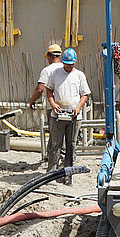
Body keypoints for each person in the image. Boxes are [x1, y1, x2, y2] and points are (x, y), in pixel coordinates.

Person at [45, 48, 92, 183]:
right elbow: (49, 90)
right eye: (66, 64)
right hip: (58, 115)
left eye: (70, 64)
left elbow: (85, 95)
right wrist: (53, 104)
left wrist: (78, 107)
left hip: (73, 116)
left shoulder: (79, 76)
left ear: (74, 63)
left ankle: (68, 174)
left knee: (71, 146)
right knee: (55, 144)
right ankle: (51, 174)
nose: (68, 66)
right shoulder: (55, 73)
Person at [28, 43, 63, 108]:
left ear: (49, 56)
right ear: (60, 56)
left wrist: (32, 100)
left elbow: (40, 89)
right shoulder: (67, 69)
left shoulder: (47, 70)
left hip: (53, 107)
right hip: (69, 106)